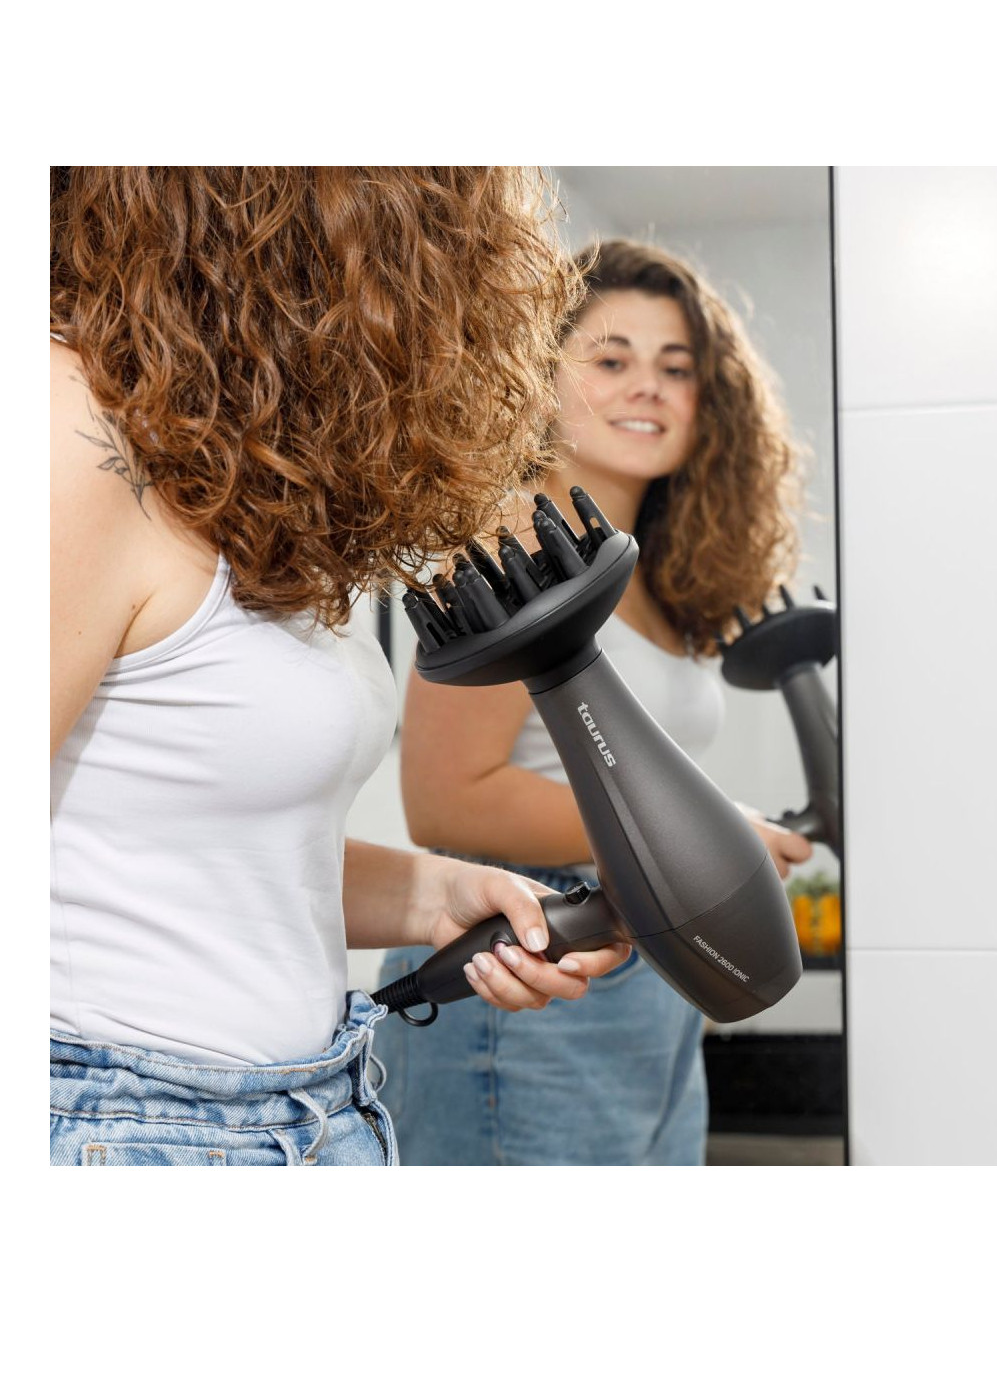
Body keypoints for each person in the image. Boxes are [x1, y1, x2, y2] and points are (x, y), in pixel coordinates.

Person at [50, 167, 631, 1168]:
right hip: (124, 1128)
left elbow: (200, 851)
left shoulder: (245, 472)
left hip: (319, 1110)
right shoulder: (68, 425)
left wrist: (436, 897)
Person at [376, 239, 813, 1166]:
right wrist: (695, 835)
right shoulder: (506, 554)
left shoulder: (656, 571)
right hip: (526, 965)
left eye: (677, 368)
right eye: (611, 360)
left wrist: (701, 844)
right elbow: (446, 800)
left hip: (649, 961)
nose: (647, 386)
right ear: (542, 380)